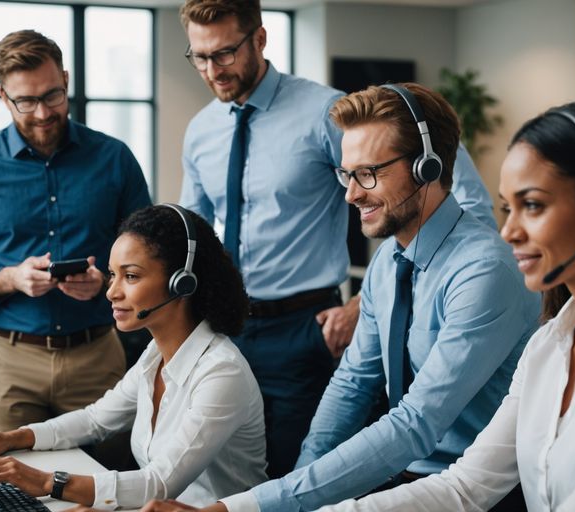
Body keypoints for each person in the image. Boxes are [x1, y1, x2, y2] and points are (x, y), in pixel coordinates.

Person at [306, 101, 575, 511]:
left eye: (532, 205)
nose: (510, 232)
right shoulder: (550, 343)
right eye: (507, 208)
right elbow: (464, 488)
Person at [143, 83, 539, 512]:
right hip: (400, 479)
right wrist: (290, 494)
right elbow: (352, 387)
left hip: (478, 494)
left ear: (427, 166)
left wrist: (248, 508)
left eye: (369, 173)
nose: (351, 194)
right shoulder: (388, 261)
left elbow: (414, 425)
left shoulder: (484, 271)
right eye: (347, 174)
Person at [178, 0, 497, 478]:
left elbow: (396, 200)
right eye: (199, 57)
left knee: (294, 469)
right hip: (226, 327)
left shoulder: (322, 111)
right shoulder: (201, 130)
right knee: (222, 472)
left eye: (223, 53)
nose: (212, 70)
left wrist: (361, 304)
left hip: (306, 327)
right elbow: (194, 235)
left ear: (260, 40)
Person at [0, 205, 267, 510]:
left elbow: (160, 482)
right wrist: (13, 438)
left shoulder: (221, 373)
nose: (111, 291)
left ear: (182, 282)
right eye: (112, 275)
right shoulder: (155, 355)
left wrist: (49, 482)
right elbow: (95, 419)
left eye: (130, 276)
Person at [0, 29, 152, 432]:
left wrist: (105, 280)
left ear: (66, 80)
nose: (42, 113)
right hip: (9, 364)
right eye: (26, 101)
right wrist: (9, 278)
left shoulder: (114, 158)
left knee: (110, 485)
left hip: (98, 358)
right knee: (14, 489)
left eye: (52, 95)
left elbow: (150, 254)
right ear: (3, 96)